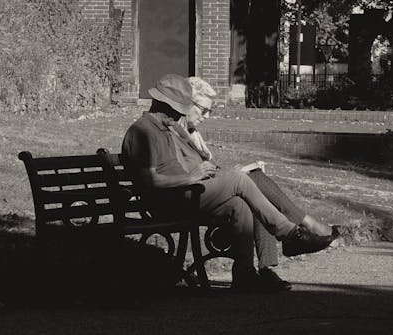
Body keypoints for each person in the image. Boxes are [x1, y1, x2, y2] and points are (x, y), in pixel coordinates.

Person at [122, 74, 338, 293]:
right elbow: (150, 181)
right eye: (177, 108)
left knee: (239, 204)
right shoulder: (144, 131)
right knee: (238, 180)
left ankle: (244, 273)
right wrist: (192, 177)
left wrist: (201, 174)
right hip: (171, 201)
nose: (180, 114)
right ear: (161, 104)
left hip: (185, 193)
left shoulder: (163, 128)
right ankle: (290, 234)